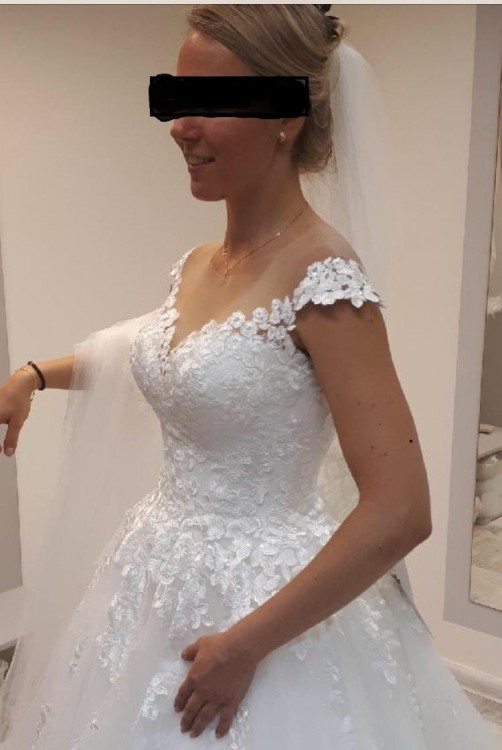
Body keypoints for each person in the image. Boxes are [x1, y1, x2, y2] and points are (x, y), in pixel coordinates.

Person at [0, 5, 499, 749]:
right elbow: (161, 355)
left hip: (266, 607)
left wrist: (245, 645)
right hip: (153, 573)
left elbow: (401, 510)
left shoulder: (325, 280)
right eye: (177, 98)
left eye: (212, 102)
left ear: (286, 117)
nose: (180, 126)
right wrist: (36, 374)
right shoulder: (202, 263)